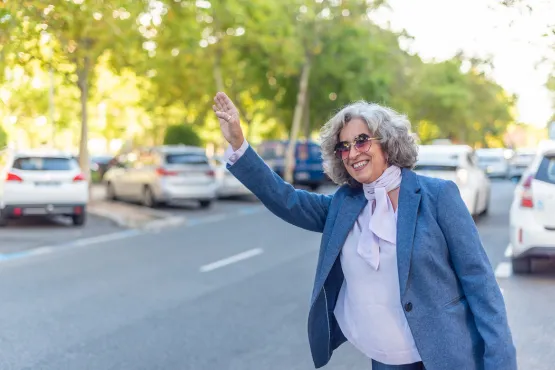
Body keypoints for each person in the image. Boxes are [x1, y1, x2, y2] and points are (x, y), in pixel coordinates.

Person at [212, 92, 517, 370]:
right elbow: (286, 200)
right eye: (343, 146)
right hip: (386, 360)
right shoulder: (345, 204)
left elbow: (481, 286)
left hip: (447, 357)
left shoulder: (438, 196)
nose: (352, 152)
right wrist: (239, 144)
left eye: (361, 140)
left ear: (386, 142)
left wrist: (500, 364)